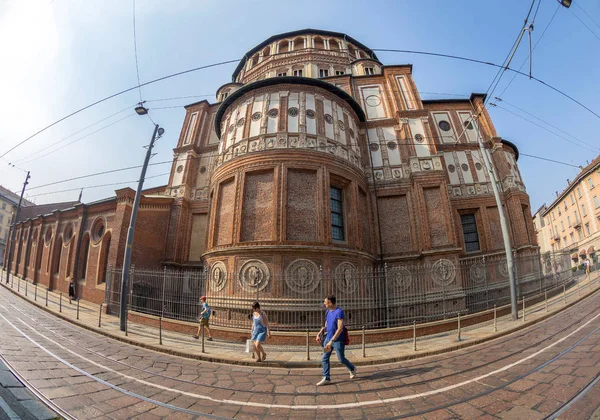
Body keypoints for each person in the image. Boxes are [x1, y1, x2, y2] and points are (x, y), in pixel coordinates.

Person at [316, 295, 356, 386]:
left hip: (338, 340)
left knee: (341, 359)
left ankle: (352, 368)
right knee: (325, 358)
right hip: (328, 339)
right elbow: (326, 325)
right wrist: (319, 333)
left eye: (325, 302)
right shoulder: (327, 312)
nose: (324, 303)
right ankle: (326, 377)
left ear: (330, 302)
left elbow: (340, 328)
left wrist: (332, 341)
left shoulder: (339, 312)